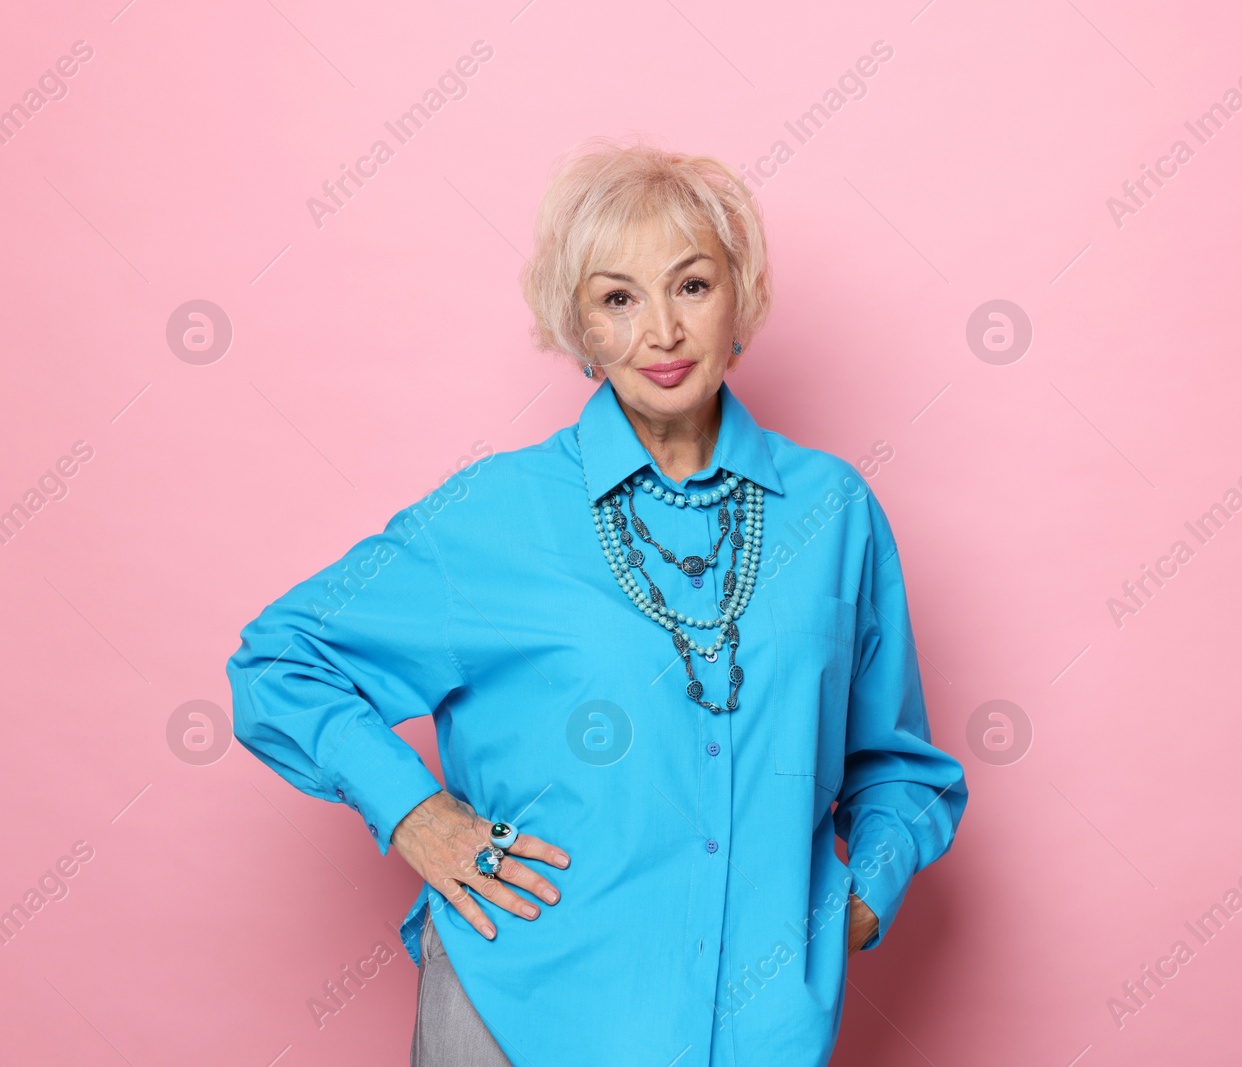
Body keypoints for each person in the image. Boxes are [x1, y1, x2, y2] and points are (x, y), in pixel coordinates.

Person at [225, 136, 967, 1066]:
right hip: (517, 1012)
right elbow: (278, 660)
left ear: (741, 297)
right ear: (580, 329)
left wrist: (857, 901)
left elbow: (900, 764)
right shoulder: (490, 515)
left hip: (761, 1033)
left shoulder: (834, 513)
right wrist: (412, 812)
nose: (661, 331)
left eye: (691, 285)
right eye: (618, 298)